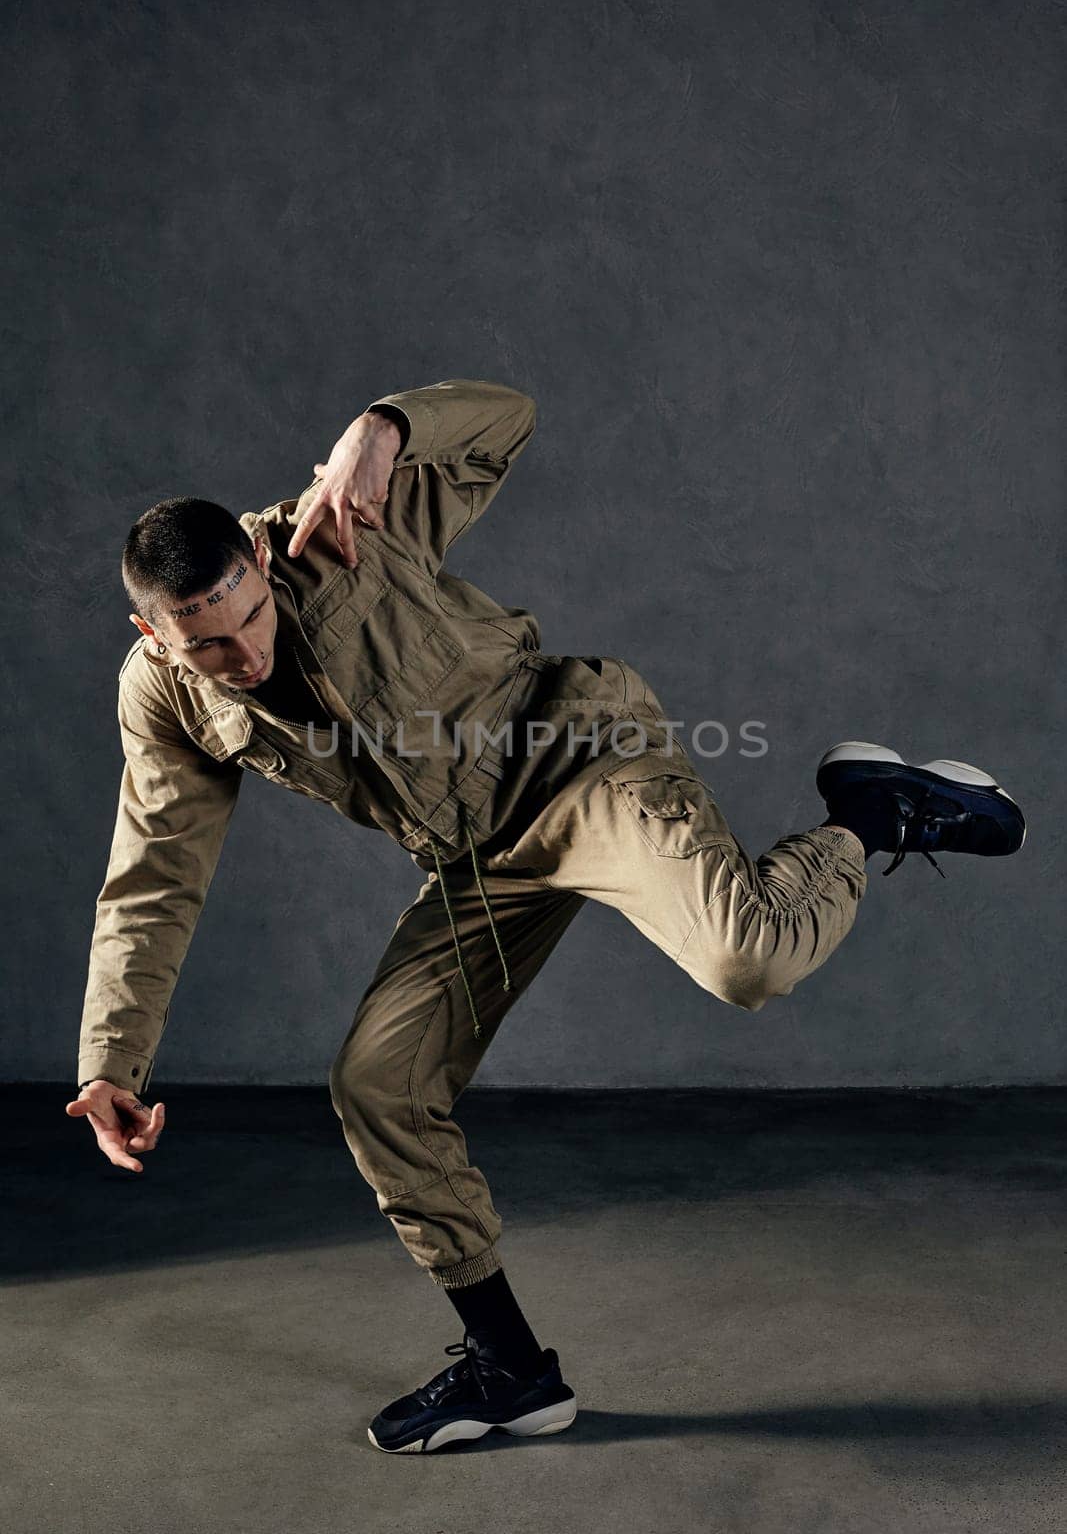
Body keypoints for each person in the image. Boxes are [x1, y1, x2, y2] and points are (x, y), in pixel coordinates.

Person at [65, 378, 1026, 1455]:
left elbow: (507, 420)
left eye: (253, 616)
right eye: (211, 647)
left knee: (745, 957)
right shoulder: (161, 697)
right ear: (152, 633)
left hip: (576, 762)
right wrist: (113, 1061)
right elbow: (154, 872)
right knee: (380, 1086)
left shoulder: (337, 532)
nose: (247, 653)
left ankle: (863, 814)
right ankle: (511, 1372)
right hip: (478, 862)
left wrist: (383, 430)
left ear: (256, 571)